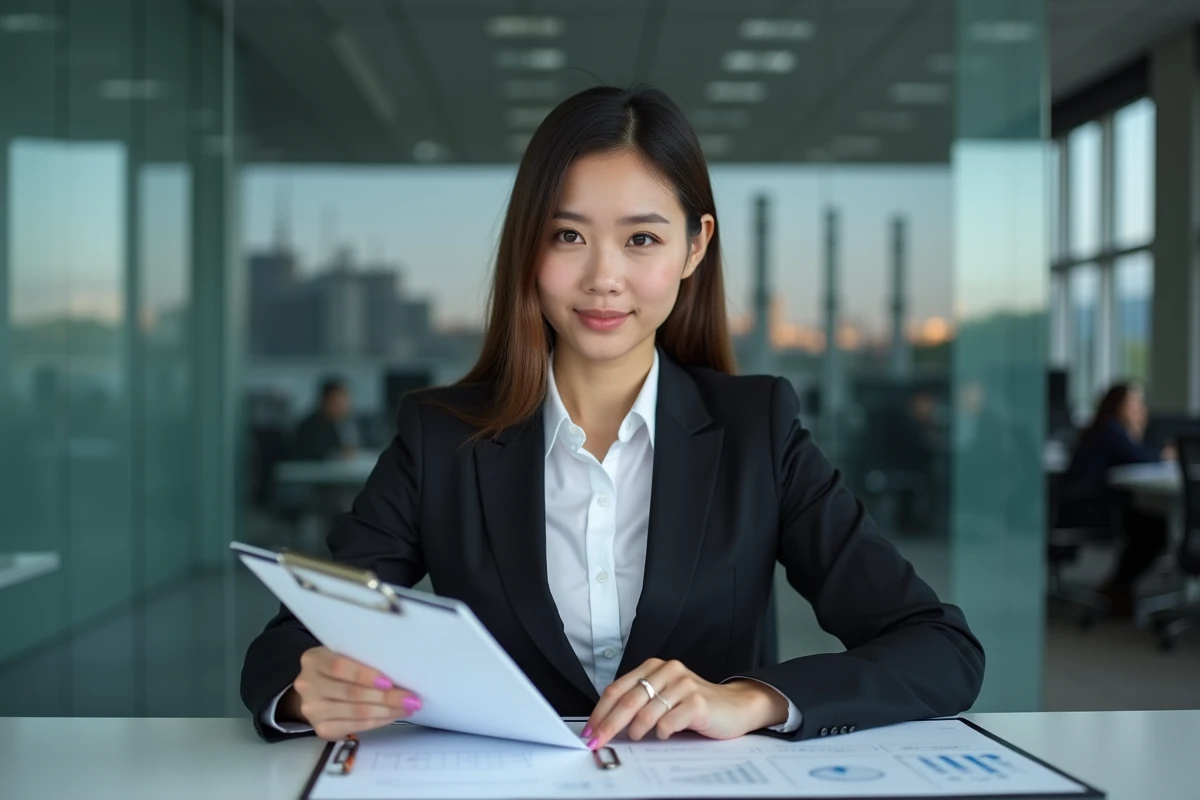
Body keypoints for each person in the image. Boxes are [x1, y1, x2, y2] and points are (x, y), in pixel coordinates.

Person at [241, 86, 984, 748]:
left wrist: (753, 699)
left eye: (642, 239)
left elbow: (938, 647)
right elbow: (288, 646)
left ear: (695, 248)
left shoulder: (757, 429)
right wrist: (309, 687)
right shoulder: (441, 436)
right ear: (528, 248)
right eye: (568, 236)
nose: (603, 277)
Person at [1057, 382, 1176, 614]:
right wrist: (1164, 454)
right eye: (1135, 402)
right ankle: (1117, 589)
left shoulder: (1108, 429)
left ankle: (1117, 588)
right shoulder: (1112, 430)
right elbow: (1142, 459)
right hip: (1087, 510)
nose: (1142, 408)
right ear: (1117, 405)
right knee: (1152, 529)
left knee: (1148, 526)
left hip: (1084, 505)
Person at [291, 378, 357, 461]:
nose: (343, 407)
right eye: (337, 402)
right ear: (325, 401)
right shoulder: (310, 427)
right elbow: (314, 454)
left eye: (345, 401)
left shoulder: (336, 424)